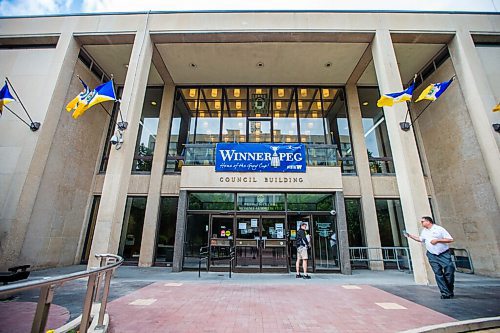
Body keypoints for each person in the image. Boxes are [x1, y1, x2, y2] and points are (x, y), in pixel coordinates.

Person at [405, 216, 455, 299]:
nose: (421, 223)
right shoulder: (424, 231)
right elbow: (421, 239)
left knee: (449, 270)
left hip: (443, 254)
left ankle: (449, 289)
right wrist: (410, 236)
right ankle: (445, 293)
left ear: (428, 221)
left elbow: (450, 239)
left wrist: (438, 240)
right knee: (438, 273)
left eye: (423, 221)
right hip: (432, 254)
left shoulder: (439, 229)